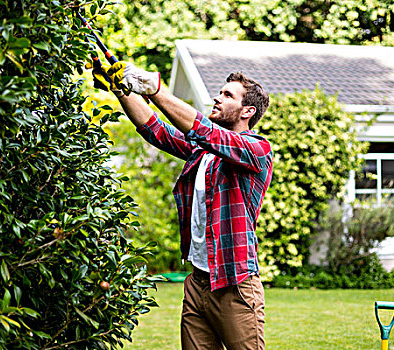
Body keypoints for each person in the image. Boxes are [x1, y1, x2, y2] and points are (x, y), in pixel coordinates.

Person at [92, 61, 273, 350]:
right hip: (198, 282)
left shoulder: (257, 150)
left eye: (227, 95)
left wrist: (156, 91)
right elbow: (155, 130)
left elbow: (208, 133)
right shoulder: (203, 152)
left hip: (234, 284)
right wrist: (120, 90)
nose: (217, 97)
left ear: (247, 111)